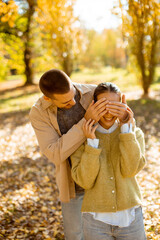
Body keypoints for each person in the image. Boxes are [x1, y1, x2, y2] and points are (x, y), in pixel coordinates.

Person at [29, 70, 130, 240]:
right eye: (67, 102)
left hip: (105, 179)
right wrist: (86, 121)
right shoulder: (39, 113)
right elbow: (54, 153)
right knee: (75, 235)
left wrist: (127, 116)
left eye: (74, 95)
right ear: (48, 98)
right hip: (73, 185)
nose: (74, 101)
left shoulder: (92, 93)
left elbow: (121, 120)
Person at [71, 82, 146, 240]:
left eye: (114, 106)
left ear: (122, 105)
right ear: (93, 105)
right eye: (104, 106)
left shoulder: (134, 134)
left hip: (131, 218)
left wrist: (126, 129)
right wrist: (91, 143)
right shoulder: (81, 139)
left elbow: (130, 170)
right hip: (95, 221)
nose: (109, 113)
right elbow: (85, 181)